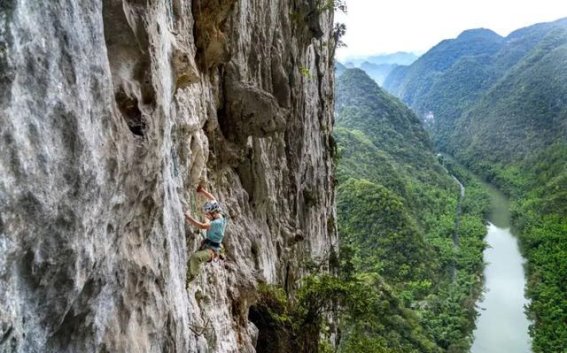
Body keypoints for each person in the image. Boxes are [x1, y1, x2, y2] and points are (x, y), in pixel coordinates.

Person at [184, 185, 227, 283]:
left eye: (208, 214)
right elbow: (213, 198)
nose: (207, 215)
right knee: (193, 258)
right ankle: (190, 271)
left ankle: (190, 277)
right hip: (209, 244)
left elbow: (203, 226)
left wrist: (188, 217)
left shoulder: (217, 223)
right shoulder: (220, 214)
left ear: (213, 213)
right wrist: (202, 190)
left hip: (211, 251)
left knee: (196, 257)